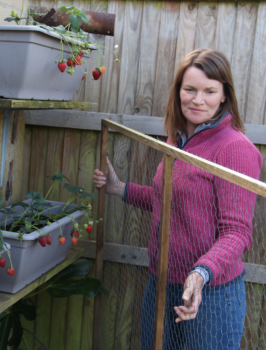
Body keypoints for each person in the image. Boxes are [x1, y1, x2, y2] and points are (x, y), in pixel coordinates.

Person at [93, 48, 262, 350]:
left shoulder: (234, 148)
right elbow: (168, 200)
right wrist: (120, 188)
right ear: (178, 91)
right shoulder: (179, 139)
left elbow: (237, 232)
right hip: (162, 283)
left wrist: (200, 273)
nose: (198, 100)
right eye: (190, 89)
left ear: (224, 95)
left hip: (210, 293)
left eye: (210, 91)